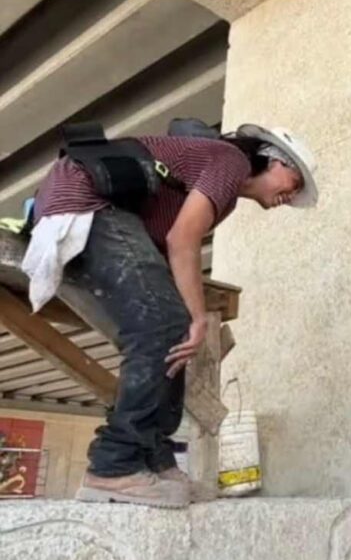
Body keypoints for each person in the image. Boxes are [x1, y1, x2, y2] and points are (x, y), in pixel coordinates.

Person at [24, 123, 318, 508]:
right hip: (85, 202)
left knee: (172, 330)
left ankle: (155, 459)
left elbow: (167, 245)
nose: (291, 196)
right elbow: (183, 240)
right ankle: (114, 466)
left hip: (102, 214)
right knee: (164, 326)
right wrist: (197, 315)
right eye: (294, 181)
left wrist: (185, 317)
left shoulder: (224, 196)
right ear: (274, 159)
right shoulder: (231, 161)